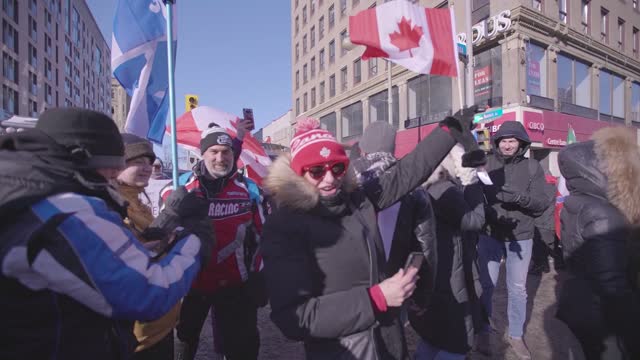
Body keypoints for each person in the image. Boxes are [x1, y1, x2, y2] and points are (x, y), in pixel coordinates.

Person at [262, 109, 485, 360]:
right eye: (316, 171)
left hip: (388, 341)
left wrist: (449, 130)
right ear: (298, 173)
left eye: (337, 167)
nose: (329, 179)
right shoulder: (283, 226)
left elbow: (408, 172)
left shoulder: (357, 200)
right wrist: (375, 299)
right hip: (342, 350)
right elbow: (294, 318)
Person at [0, 108, 212, 360]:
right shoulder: (68, 211)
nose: (111, 180)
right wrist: (196, 243)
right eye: (110, 170)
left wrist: (144, 247)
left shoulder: (25, 194)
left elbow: (79, 263)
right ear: (82, 159)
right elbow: (150, 291)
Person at [164, 120, 266, 360]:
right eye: (214, 151)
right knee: (183, 342)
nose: (220, 157)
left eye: (226, 151)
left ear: (233, 154)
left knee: (242, 346)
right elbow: (162, 238)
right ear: (203, 154)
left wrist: (260, 275)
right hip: (192, 286)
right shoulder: (181, 189)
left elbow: (265, 236)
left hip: (234, 285)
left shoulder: (248, 190)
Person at [556, 127, 640, 359]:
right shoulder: (604, 214)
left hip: (582, 303)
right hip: (602, 316)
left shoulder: (580, 200)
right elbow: (611, 285)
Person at [477, 121, 552, 359]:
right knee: (486, 285)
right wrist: (486, 212)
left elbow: (542, 203)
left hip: (521, 237)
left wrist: (521, 198)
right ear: (497, 143)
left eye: (512, 141)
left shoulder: (532, 167)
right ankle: (484, 331)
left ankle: (517, 336)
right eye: (503, 141)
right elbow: (474, 197)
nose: (507, 145)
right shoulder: (486, 164)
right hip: (490, 234)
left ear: (520, 143)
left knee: (518, 289)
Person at [410, 144, 487, 360]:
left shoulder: (424, 187)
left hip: (435, 269)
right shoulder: (445, 189)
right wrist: (472, 184)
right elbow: (474, 221)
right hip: (451, 270)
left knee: (434, 333)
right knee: (456, 340)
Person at [116, 133, 180, 360]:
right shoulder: (113, 205)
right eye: (137, 162)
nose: (147, 168)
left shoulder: (136, 201)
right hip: (138, 335)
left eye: (149, 162)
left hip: (159, 323)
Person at [350, 121, 437, 279]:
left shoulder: (344, 181)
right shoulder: (414, 188)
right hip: (398, 282)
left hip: (356, 285)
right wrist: (423, 296)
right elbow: (425, 246)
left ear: (362, 150)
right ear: (392, 148)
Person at [529, 175, 558, 275]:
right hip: (551, 222)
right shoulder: (554, 188)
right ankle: (558, 264)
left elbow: (539, 206)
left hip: (542, 223)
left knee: (540, 247)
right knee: (550, 246)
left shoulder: (545, 190)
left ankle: (540, 267)